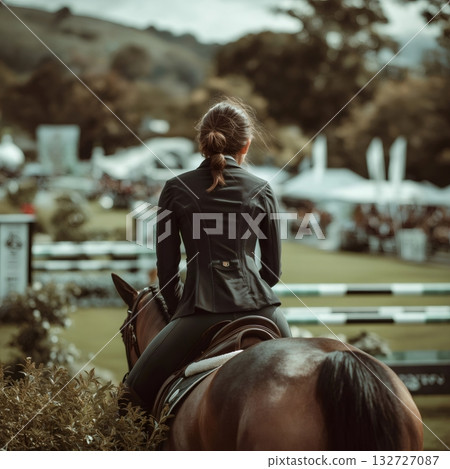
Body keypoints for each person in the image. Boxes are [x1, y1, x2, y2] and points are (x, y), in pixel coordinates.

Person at [125, 98, 291, 411]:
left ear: (202, 143)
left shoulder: (174, 188)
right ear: (246, 145)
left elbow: (167, 271)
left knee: (132, 392)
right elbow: (272, 271)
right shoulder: (263, 189)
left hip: (199, 311)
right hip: (261, 309)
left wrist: (182, 308)